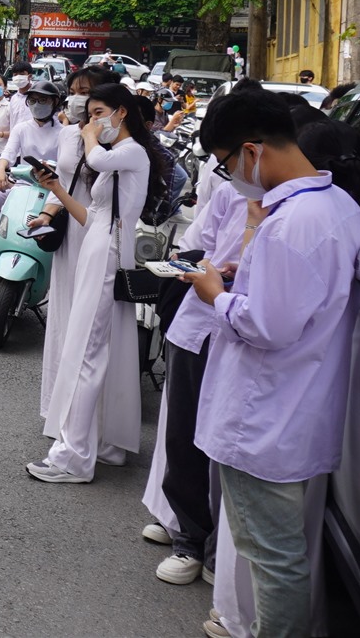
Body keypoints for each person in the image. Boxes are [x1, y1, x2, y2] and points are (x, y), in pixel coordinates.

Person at [181, 85, 360, 638]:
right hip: (293, 410)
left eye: (226, 163)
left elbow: (267, 326)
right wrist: (243, 282)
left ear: (253, 149)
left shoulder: (290, 224)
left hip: (263, 419)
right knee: (278, 552)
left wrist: (215, 292)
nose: (231, 177)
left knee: (273, 558)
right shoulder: (336, 207)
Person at [28, 80, 157, 484]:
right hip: (99, 245)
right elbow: (92, 216)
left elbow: (96, 163)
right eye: (90, 115)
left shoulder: (130, 151)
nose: (93, 121)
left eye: (100, 113)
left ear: (122, 112)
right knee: (100, 349)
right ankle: (104, 443)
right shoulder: (119, 154)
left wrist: (85, 134)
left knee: (85, 351)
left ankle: (73, 458)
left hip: (107, 253)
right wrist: (55, 191)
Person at [139, 124, 250, 587]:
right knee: (184, 436)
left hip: (244, 336)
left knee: (225, 446)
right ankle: (188, 534)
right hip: (199, 326)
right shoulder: (231, 194)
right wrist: (192, 272)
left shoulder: (297, 212)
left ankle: (217, 550)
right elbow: (196, 245)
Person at [0, 79, 65, 262]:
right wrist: (0, 170)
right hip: (23, 186)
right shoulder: (21, 128)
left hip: (52, 191)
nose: (37, 105)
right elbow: (8, 153)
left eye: (43, 100)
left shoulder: (63, 132)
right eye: (33, 100)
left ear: (55, 102)